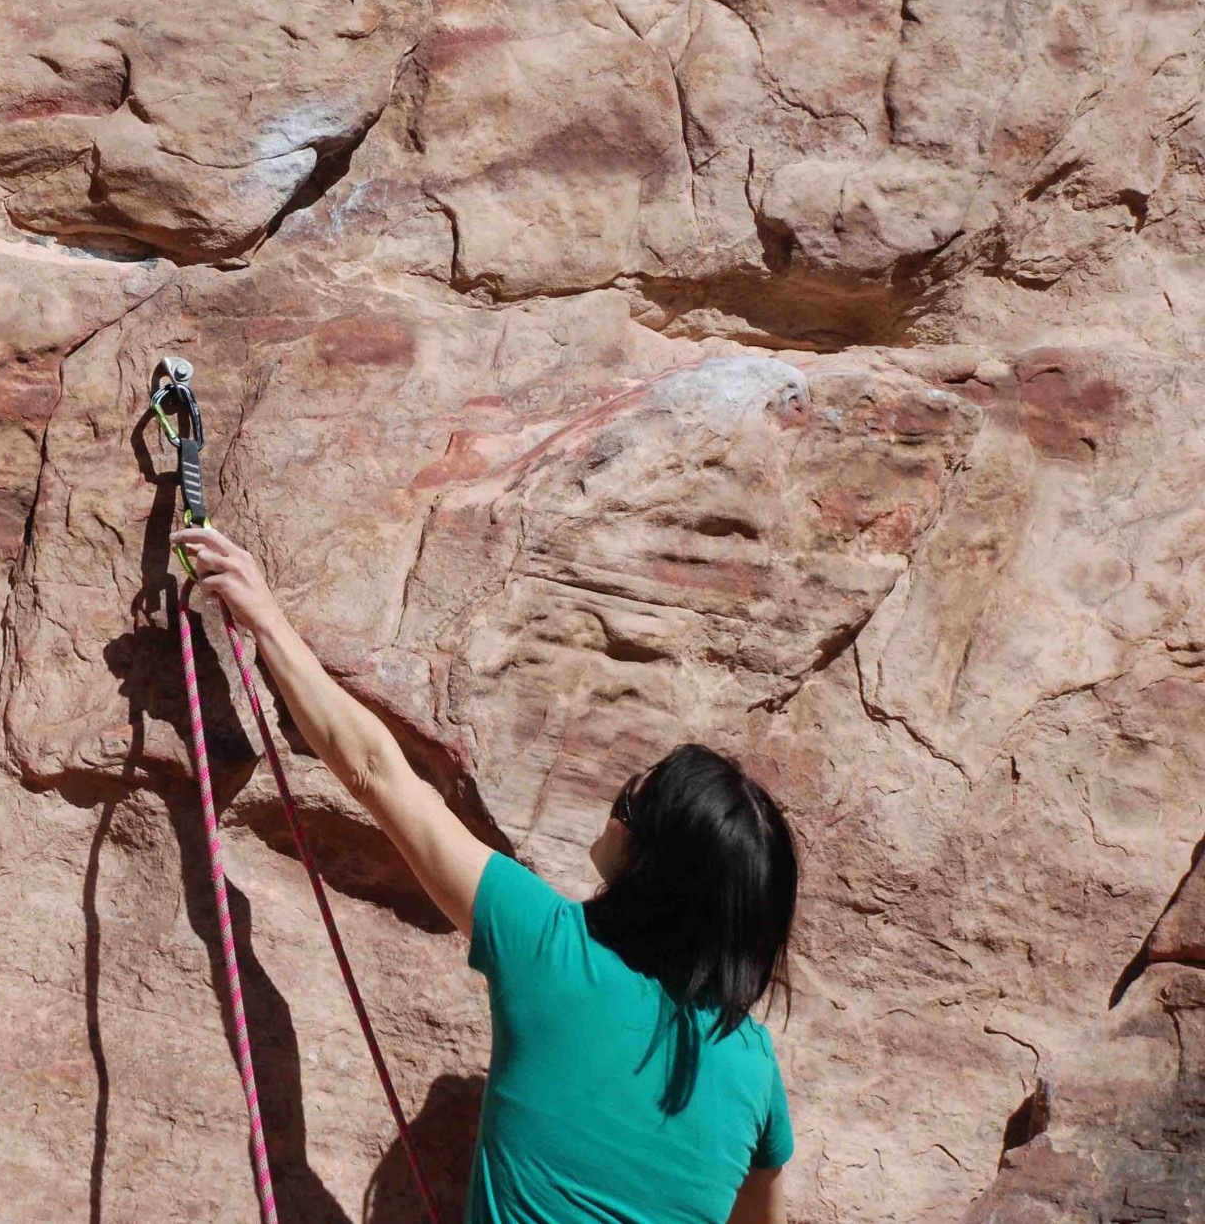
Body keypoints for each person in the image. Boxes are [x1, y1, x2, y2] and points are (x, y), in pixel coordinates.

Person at [170, 525, 799, 1224]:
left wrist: (265, 619)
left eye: (628, 804)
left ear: (650, 866)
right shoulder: (754, 1069)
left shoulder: (547, 945)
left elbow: (376, 771)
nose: (611, 811)